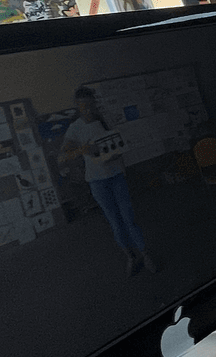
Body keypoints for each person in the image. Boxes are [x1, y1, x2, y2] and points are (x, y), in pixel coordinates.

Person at [61, 86, 154, 276]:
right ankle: (130, 256)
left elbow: (118, 143)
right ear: (78, 106)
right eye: (83, 105)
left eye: (90, 104)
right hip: (97, 182)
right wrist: (83, 150)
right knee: (115, 222)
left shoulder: (105, 120)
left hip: (116, 176)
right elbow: (63, 156)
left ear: (95, 103)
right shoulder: (75, 127)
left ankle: (145, 255)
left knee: (130, 219)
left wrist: (117, 157)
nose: (87, 108)